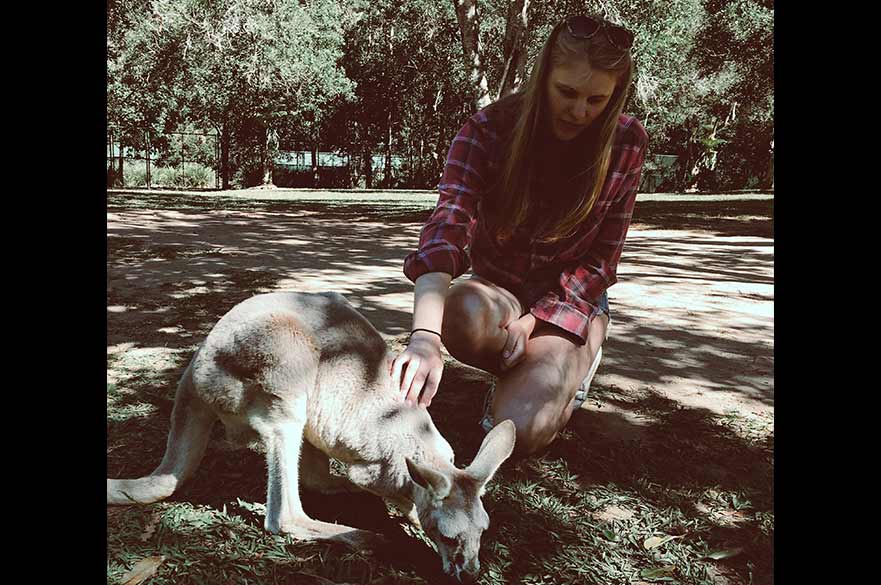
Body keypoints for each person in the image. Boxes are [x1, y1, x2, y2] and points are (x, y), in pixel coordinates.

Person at [391, 14, 648, 458]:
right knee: (460, 312)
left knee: (520, 433)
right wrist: (424, 338)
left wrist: (534, 322)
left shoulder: (627, 142)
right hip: (501, 291)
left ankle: (574, 355)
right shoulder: (488, 130)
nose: (580, 111)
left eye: (597, 99)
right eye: (567, 92)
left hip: (568, 300)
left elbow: (601, 263)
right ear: (543, 75)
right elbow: (446, 230)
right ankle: (536, 368)